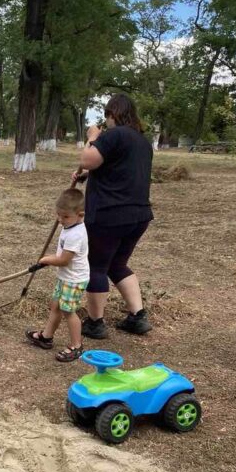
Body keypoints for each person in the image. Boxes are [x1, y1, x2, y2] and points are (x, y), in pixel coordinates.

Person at [74, 93, 153, 338]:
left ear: (113, 113)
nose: (106, 121)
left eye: (107, 115)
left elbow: (87, 160)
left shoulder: (113, 134)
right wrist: (88, 176)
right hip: (138, 214)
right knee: (117, 264)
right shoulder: (142, 141)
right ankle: (137, 317)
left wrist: (92, 138)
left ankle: (95, 323)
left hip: (109, 214)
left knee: (96, 265)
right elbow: (118, 169)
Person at [25, 189, 90, 362]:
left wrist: (47, 259)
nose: (60, 220)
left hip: (74, 279)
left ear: (80, 215)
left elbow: (64, 260)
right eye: (58, 215)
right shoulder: (70, 225)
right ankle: (47, 336)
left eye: (65, 216)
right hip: (65, 277)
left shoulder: (76, 234)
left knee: (68, 311)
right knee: (55, 306)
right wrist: (50, 260)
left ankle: (77, 346)